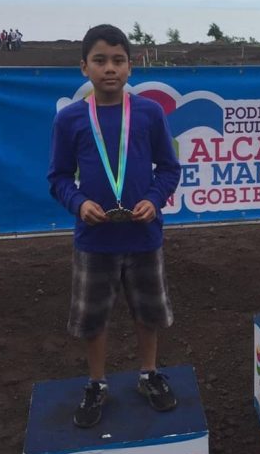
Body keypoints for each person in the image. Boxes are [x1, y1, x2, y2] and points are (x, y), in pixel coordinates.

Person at [48, 24, 181, 428]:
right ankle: (97, 382)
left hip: (143, 236)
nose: (110, 68)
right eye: (100, 60)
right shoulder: (70, 119)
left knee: (148, 311)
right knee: (93, 318)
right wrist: (79, 203)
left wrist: (154, 200)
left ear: (131, 67)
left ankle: (149, 373)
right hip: (94, 240)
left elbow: (169, 168)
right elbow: (58, 177)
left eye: (118, 60)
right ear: (83, 67)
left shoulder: (149, 113)